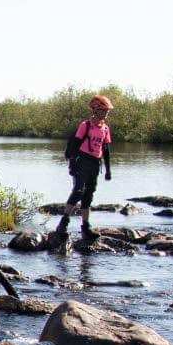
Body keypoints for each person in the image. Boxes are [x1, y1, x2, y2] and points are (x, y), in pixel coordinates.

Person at [51, 95, 114, 252]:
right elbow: (74, 145)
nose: (106, 113)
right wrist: (72, 165)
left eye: (107, 111)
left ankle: (85, 227)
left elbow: (106, 150)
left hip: (94, 163)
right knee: (78, 191)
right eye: (104, 110)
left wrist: (108, 170)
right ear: (96, 110)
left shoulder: (105, 128)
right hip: (81, 161)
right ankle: (63, 223)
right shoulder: (85, 126)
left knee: (89, 194)